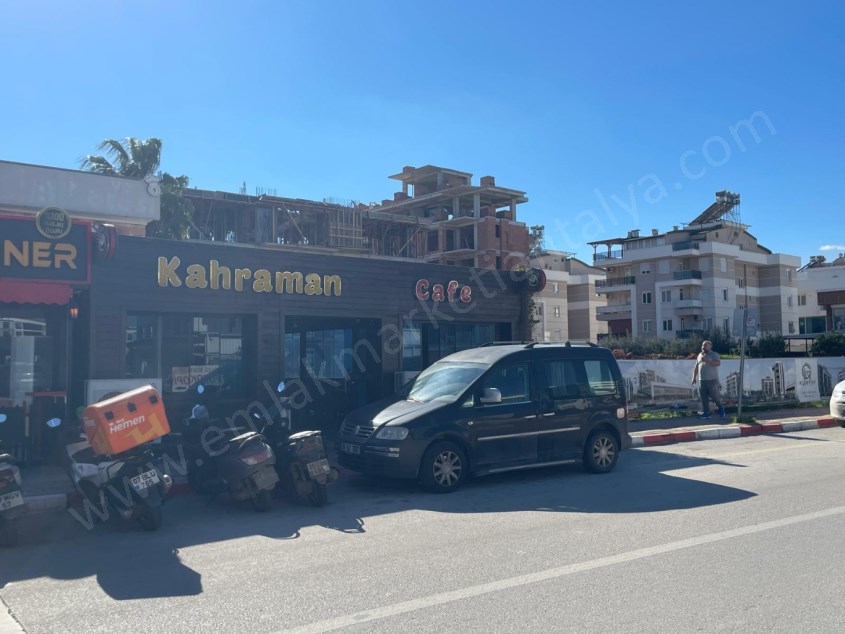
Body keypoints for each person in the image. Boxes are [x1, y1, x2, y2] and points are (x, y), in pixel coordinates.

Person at [691, 340, 725, 420]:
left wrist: (706, 360)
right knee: (704, 398)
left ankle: (721, 407)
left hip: (712, 380)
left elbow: (718, 363)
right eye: (702, 345)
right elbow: (696, 367)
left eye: (705, 345)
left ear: (710, 346)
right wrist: (693, 377)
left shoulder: (714, 354)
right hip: (702, 380)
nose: (703, 347)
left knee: (715, 396)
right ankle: (706, 413)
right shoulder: (699, 355)